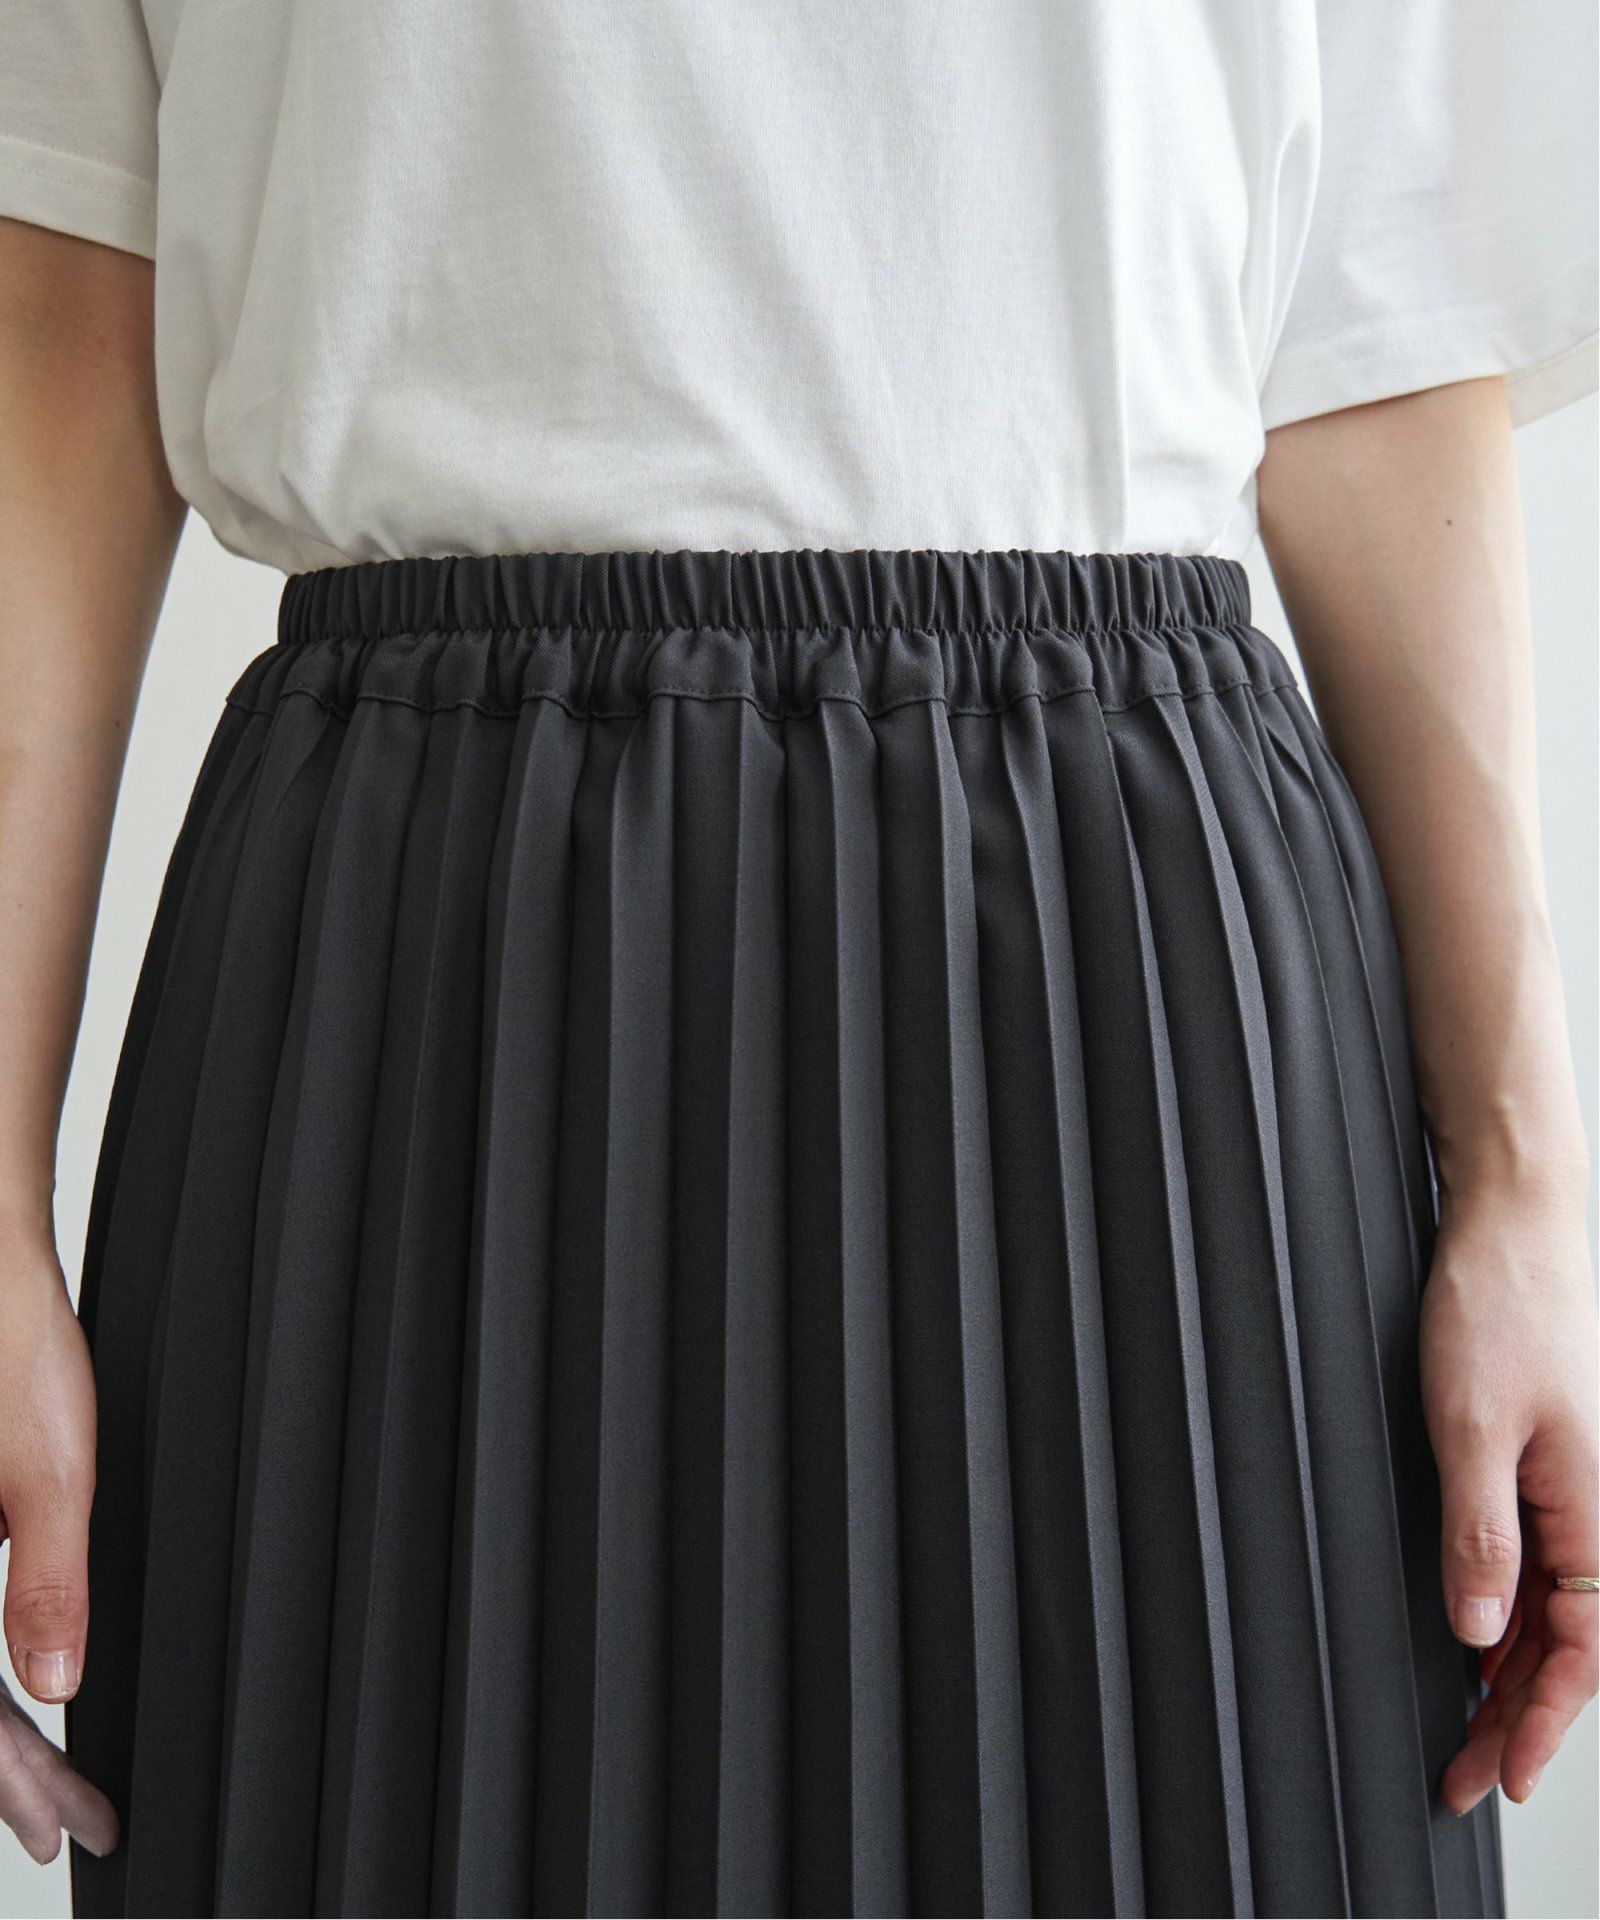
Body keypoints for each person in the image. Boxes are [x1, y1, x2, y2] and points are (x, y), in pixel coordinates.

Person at [0, 3, 1596, 1916]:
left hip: (1128, 972)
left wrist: (1527, 1178)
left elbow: (1380, 337)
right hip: (423, 973)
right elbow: (60, 316)